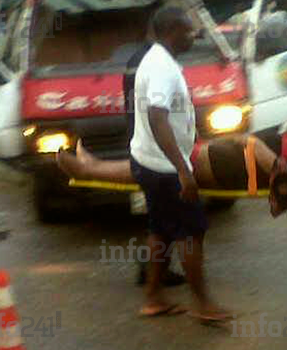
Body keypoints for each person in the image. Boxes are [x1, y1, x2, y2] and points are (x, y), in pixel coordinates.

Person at [127, 6, 228, 321]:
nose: (194, 35)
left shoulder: (159, 60)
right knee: (192, 232)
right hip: (165, 169)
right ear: (171, 30)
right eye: (188, 29)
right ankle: (204, 305)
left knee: (161, 230)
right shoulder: (162, 67)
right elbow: (157, 117)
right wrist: (184, 170)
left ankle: (153, 298)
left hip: (149, 162)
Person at [58, 131, 287, 217]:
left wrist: (252, 143)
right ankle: (92, 165)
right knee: (161, 164)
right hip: (231, 159)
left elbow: (284, 173)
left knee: (159, 167)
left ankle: (89, 168)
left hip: (234, 165)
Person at [122, 26, 187, 288]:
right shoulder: (156, 64)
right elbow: (157, 114)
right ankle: (152, 272)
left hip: (143, 147)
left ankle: (154, 274)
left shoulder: (140, 60)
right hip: (156, 152)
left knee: (156, 218)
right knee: (160, 217)